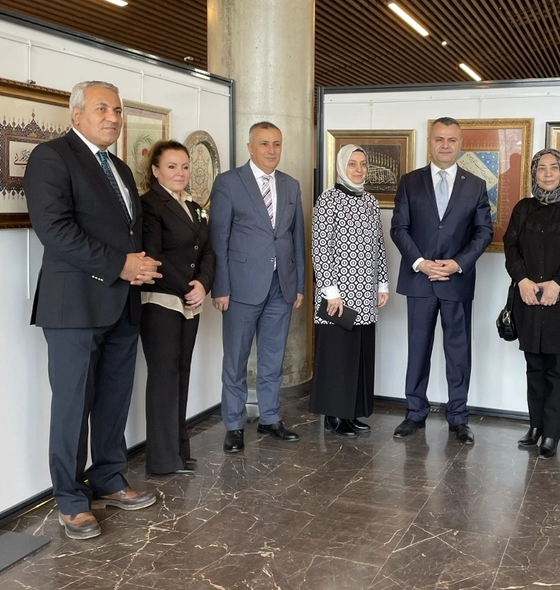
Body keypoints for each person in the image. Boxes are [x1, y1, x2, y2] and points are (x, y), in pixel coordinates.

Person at [24, 80, 161, 540]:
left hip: (122, 304)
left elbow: (127, 232)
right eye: (102, 109)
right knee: (72, 405)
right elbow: (55, 230)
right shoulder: (51, 157)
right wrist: (121, 264)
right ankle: (69, 498)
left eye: (117, 110)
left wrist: (138, 267)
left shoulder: (119, 168)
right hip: (74, 307)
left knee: (114, 399)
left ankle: (109, 478)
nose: (113, 117)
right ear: (76, 113)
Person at [390, 117, 493, 444]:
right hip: (419, 280)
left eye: (451, 139)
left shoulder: (475, 185)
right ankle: (414, 413)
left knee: (458, 352)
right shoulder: (410, 182)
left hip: (456, 281)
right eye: (439, 139)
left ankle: (458, 417)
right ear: (430, 142)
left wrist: (458, 264)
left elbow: (484, 232)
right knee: (418, 349)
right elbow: (399, 228)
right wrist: (420, 263)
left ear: (460, 144)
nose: (445, 145)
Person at [210, 121, 305, 453]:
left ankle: (270, 418)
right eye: (264, 144)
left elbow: (296, 238)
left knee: (272, 358)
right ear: (249, 147)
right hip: (240, 288)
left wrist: (298, 284)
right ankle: (234, 425)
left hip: (281, 286)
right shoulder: (229, 183)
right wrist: (220, 287)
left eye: (277, 144)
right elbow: (218, 238)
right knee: (235, 359)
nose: (271, 150)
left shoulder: (291, 185)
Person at [503, 149, 560, 459]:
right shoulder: (523, 208)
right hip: (528, 297)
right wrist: (522, 280)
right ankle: (536, 426)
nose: (547, 173)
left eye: (553, 168)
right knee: (534, 367)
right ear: (534, 173)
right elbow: (511, 247)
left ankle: (552, 433)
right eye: (541, 168)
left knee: (558, 369)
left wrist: (558, 283)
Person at [138, 141, 215, 475]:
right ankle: (161, 458)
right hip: (161, 302)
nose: (180, 172)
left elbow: (207, 250)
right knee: (164, 378)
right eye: (172, 166)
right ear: (156, 170)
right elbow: (154, 255)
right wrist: (187, 288)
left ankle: (180, 453)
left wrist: (203, 284)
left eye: (184, 166)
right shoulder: (149, 205)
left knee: (181, 372)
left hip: (189, 301)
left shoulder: (194, 206)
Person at [309, 145, 390, 438]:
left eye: (363, 164)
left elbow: (379, 245)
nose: (358, 169)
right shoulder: (328, 200)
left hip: (365, 293)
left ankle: (351, 412)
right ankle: (335, 415)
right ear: (342, 166)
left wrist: (382, 284)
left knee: (359, 355)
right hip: (338, 297)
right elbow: (320, 247)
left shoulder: (370, 201)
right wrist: (330, 291)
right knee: (338, 356)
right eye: (352, 164)